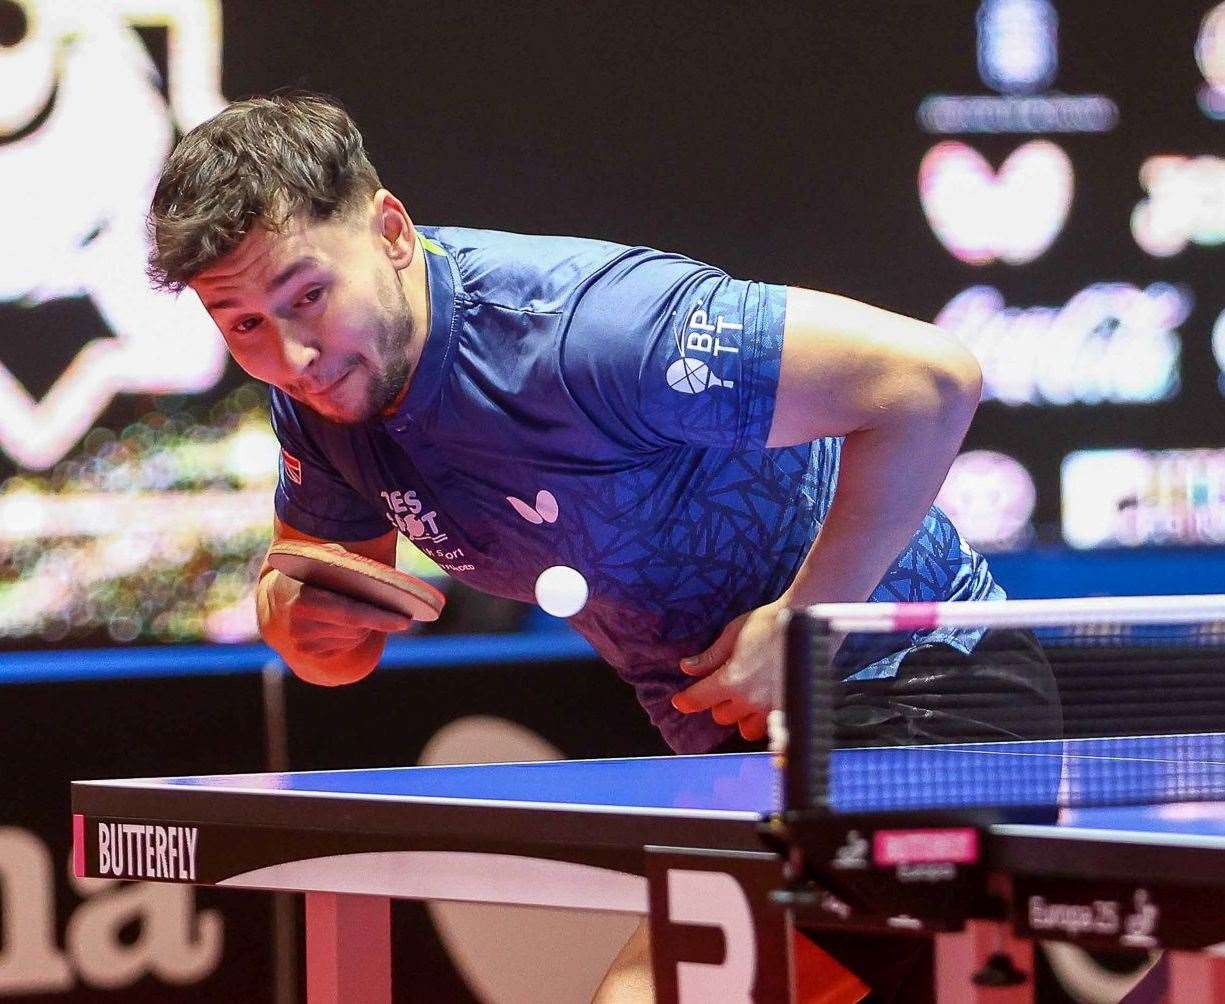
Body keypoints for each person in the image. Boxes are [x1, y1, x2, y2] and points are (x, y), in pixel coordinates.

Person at [147, 92, 1060, 1003]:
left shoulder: (590, 331)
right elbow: (325, 625)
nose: (295, 353)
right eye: (244, 326)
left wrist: (805, 624)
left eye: (309, 295)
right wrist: (296, 620)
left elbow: (931, 381)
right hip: (750, 760)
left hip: (926, 701)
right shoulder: (321, 402)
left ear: (388, 231)